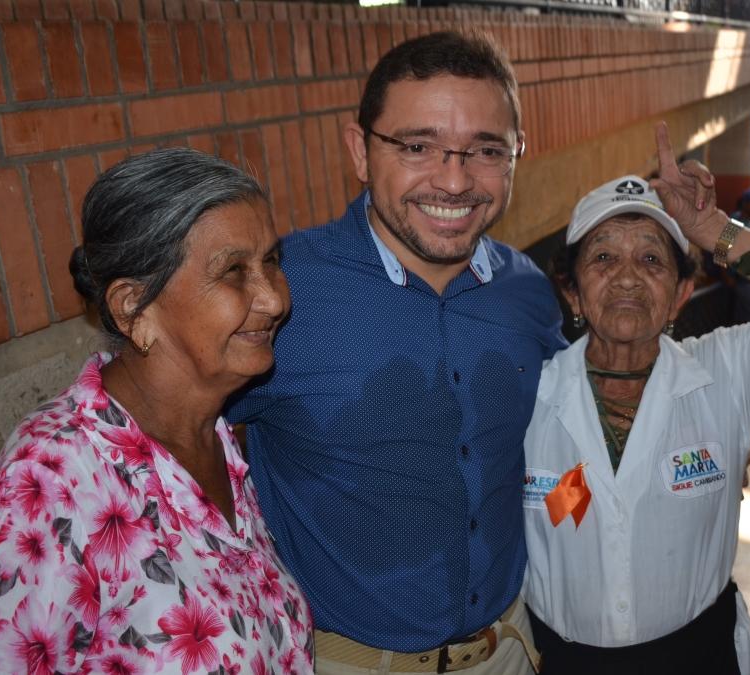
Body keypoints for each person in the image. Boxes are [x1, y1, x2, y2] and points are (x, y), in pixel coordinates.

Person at [226, 31, 566, 675]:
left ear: (518, 155)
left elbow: (560, 441)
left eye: (486, 150)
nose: (455, 179)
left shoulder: (529, 292)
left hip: (510, 650)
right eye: (417, 146)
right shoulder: (279, 292)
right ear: (360, 150)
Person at [0, 149, 313, 674]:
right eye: (233, 271)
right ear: (132, 306)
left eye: (271, 260)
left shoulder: (212, 437)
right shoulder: (47, 483)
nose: (274, 299)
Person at [523, 124, 750, 675]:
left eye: (652, 261)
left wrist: (713, 228)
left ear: (682, 293)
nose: (628, 277)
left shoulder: (725, 370)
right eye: (603, 259)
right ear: (572, 291)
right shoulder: (529, 393)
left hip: (698, 657)